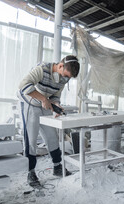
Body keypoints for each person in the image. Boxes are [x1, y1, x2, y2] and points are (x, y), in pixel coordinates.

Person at [17, 55, 80, 187]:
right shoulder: (42, 69)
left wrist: (56, 106)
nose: (65, 79)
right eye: (65, 75)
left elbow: (55, 95)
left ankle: (57, 167)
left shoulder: (64, 79)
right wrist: (43, 99)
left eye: (68, 77)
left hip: (44, 103)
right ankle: (31, 172)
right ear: (61, 66)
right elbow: (23, 85)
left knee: (52, 136)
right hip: (29, 102)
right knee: (31, 138)